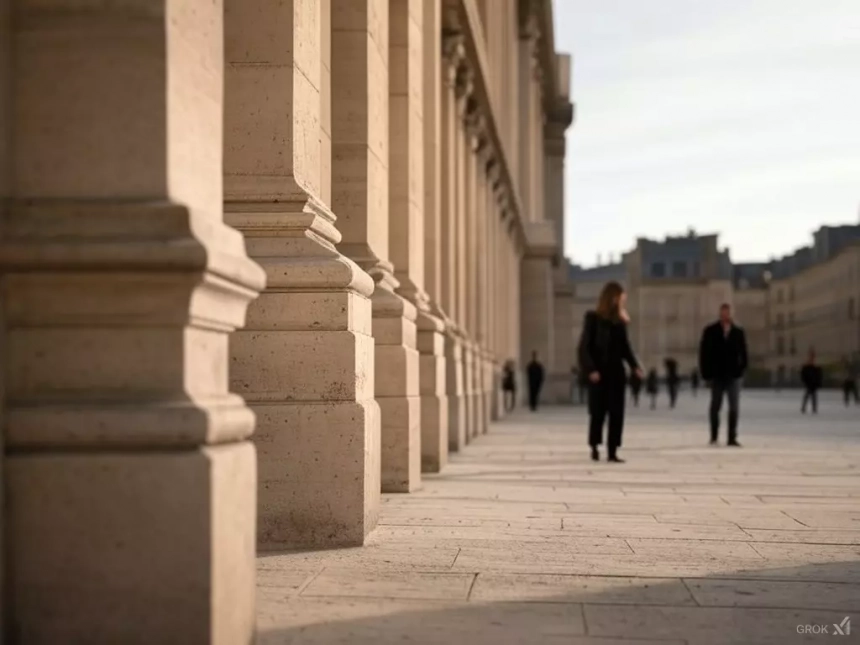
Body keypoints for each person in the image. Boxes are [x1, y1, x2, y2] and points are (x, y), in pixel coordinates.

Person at [577, 281, 643, 463]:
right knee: (597, 413)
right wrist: (590, 369)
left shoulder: (619, 323)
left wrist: (635, 366)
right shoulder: (592, 318)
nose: (622, 302)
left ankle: (612, 450)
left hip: (616, 373)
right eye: (620, 299)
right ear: (612, 298)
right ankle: (594, 446)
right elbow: (584, 347)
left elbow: (625, 348)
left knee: (616, 413)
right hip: (598, 374)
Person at [699, 303, 748, 447]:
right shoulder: (710, 330)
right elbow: (704, 352)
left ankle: (732, 437)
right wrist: (706, 372)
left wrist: (742, 369)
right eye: (724, 312)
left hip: (733, 375)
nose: (726, 315)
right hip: (717, 374)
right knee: (715, 406)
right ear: (720, 313)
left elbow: (744, 353)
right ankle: (714, 436)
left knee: (734, 407)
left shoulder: (738, 331)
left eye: (728, 312)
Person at [800, 349, 822, 414]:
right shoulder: (807, 367)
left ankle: (813, 408)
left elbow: (818, 376)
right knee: (808, 396)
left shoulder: (815, 367)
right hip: (809, 383)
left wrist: (817, 383)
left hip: (813, 384)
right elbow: (803, 375)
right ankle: (805, 408)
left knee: (813, 396)